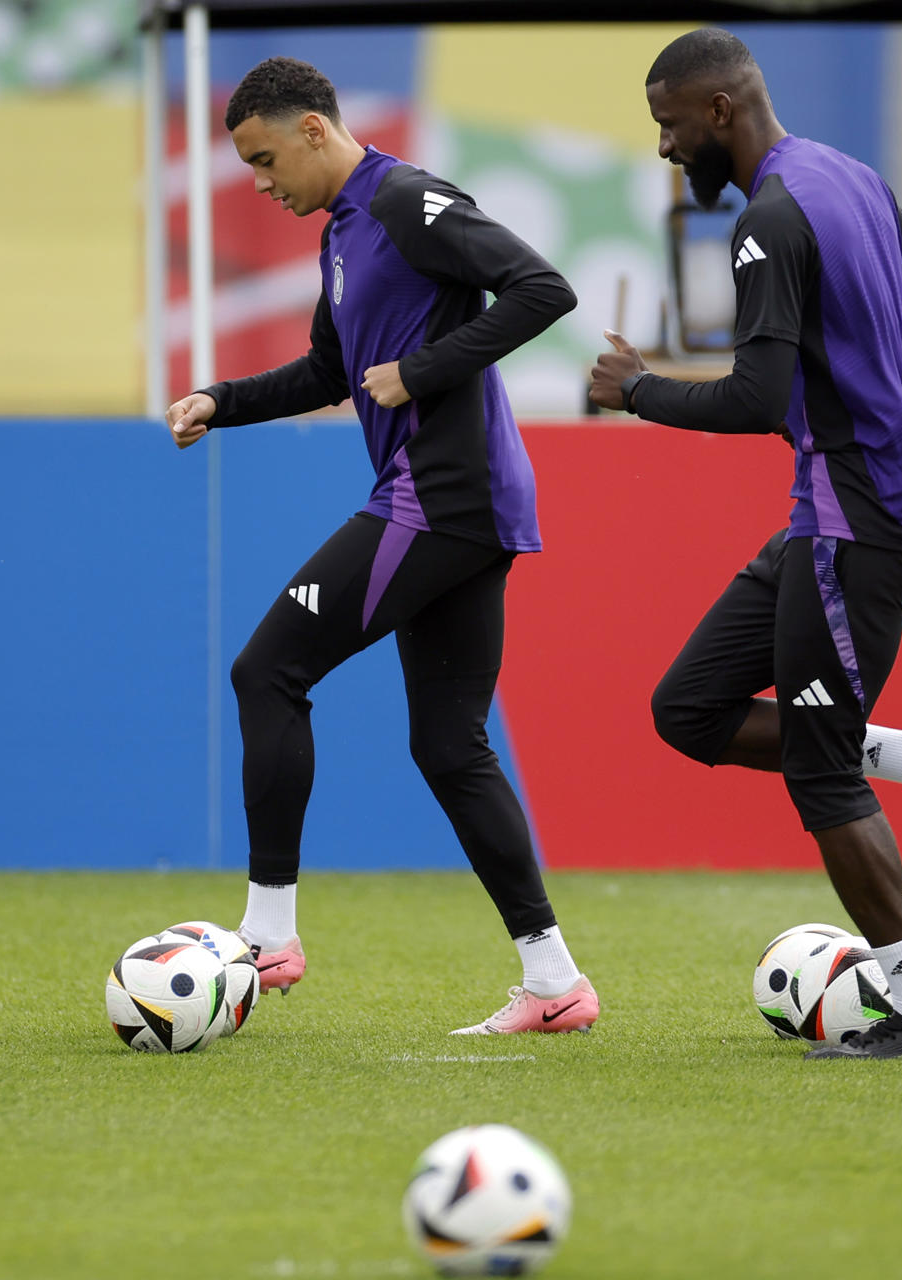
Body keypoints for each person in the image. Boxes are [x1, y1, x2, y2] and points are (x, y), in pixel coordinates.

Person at [590, 29, 902, 1060]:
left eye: (669, 125)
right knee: (689, 708)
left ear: (717, 111)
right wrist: (870, 394)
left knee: (822, 772)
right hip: (839, 512)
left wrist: (636, 391)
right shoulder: (844, 177)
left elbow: (755, 396)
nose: (666, 150)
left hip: (855, 523)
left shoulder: (769, 220)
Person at [165, 57, 597, 1036]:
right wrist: (221, 401)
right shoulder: (344, 236)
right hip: (455, 502)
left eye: (267, 158)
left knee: (267, 667)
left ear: (316, 129)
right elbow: (331, 367)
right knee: (449, 744)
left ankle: (269, 930)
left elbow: (542, 286)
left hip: (442, 499)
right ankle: (555, 980)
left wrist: (427, 369)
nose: (262, 183)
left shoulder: (407, 199)